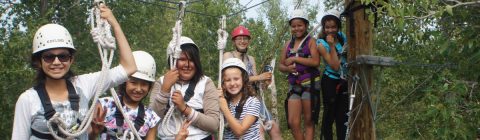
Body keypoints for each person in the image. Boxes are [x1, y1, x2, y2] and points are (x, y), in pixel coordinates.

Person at [12, 4, 136, 140]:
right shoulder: (28, 100)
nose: (56, 62)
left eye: (63, 56)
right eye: (49, 57)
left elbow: (129, 67)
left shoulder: (83, 85)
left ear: (71, 59)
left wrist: (114, 24)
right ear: (38, 61)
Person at [149, 36, 220, 140]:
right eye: (182, 59)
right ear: (172, 61)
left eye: (191, 60)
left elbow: (214, 125)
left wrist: (185, 109)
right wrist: (164, 91)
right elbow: (151, 119)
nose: (187, 65)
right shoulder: (161, 82)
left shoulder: (206, 83)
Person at [223, 25, 282, 140]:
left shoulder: (251, 59)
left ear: (248, 41)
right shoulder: (228, 56)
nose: (242, 41)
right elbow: (229, 79)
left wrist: (264, 82)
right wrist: (259, 77)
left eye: (245, 38)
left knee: (274, 128)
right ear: (234, 41)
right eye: (239, 38)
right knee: (258, 131)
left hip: (253, 98)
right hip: (237, 100)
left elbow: (255, 81)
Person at [89, 51, 160, 140]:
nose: (138, 89)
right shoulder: (104, 105)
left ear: (149, 86)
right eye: (133, 83)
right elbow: (85, 137)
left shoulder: (151, 117)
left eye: (144, 84)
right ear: (124, 82)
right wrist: (94, 133)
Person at [278, 9, 321, 140]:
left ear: (306, 25)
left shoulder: (311, 42)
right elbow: (281, 65)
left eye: (300, 25)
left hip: (310, 83)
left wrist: (295, 59)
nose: (297, 28)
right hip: (294, 85)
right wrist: (288, 69)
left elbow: (315, 61)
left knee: (309, 120)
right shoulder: (287, 45)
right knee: (293, 122)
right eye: (294, 26)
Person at [317, 14, 349, 140]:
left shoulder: (342, 37)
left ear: (338, 27)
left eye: (333, 27)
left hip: (344, 80)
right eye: (327, 27)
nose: (330, 30)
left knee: (343, 116)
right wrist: (331, 45)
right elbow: (335, 66)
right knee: (329, 114)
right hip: (330, 81)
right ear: (324, 28)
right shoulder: (321, 43)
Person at [218, 58, 261, 140]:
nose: (232, 83)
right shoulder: (222, 102)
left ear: (244, 80)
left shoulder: (253, 102)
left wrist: (224, 108)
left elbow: (239, 131)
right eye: (227, 80)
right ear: (223, 84)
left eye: (236, 79)